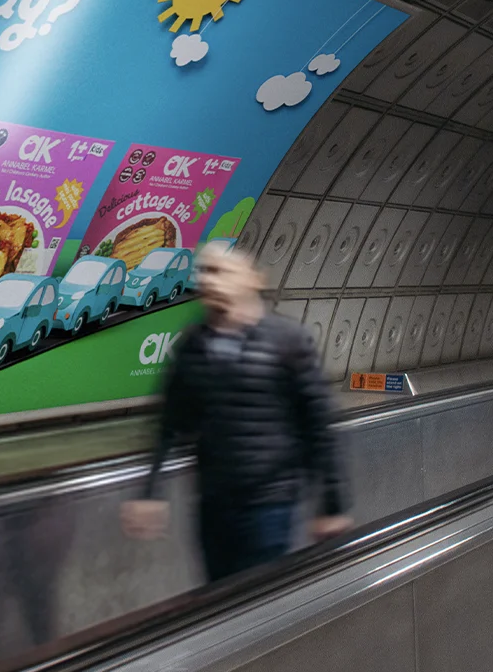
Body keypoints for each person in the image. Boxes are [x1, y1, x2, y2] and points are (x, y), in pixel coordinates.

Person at [121, 246, 353, 581]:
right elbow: (170, 422)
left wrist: (332, 505)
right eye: (204, 272)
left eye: (221, 271)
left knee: (254, 597)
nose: (209, 281)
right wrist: (150, 493)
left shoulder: (287, 341)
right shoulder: (193, 345)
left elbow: (319, 424)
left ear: (254, 279)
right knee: (218, 597)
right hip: (212, 503)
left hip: (270, 503)